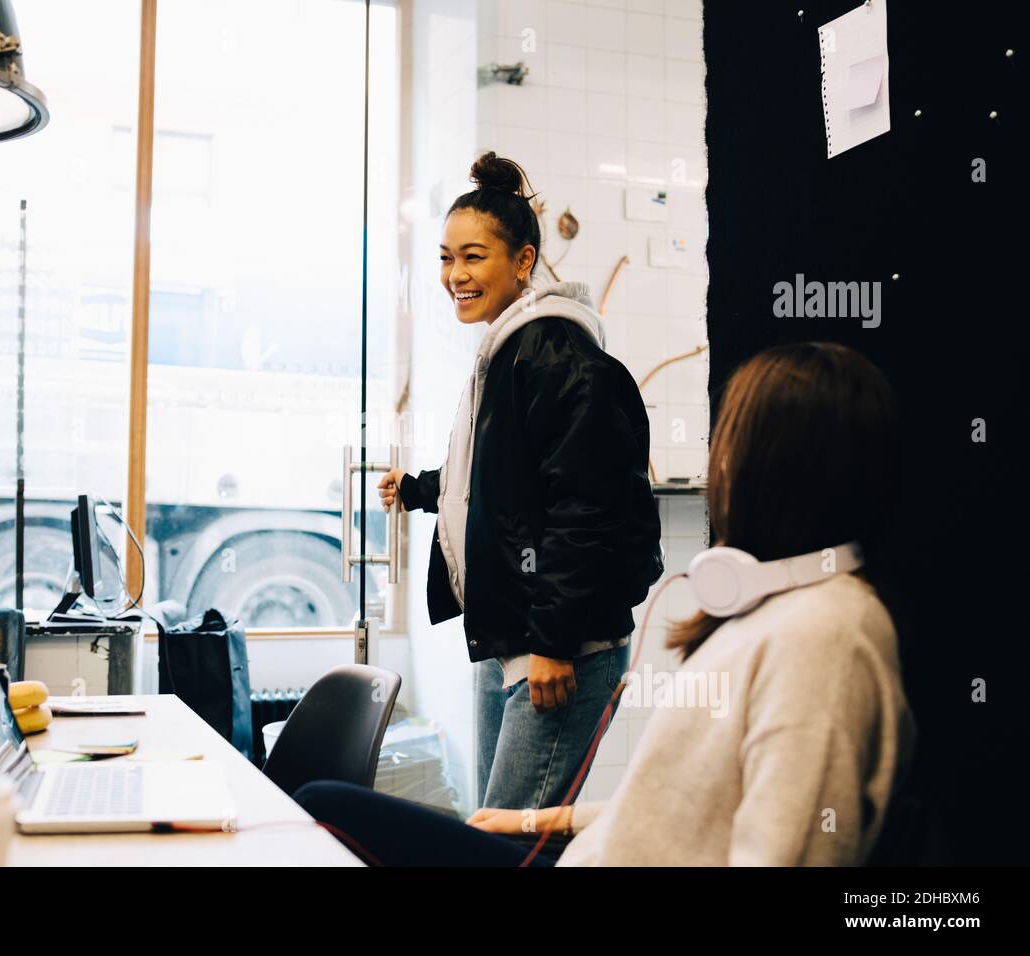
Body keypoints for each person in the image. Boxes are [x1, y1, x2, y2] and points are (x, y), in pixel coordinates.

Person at [306, 341, 914, 866]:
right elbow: (672, 802)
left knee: (323, 808)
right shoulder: (784, 608)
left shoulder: (826, 635)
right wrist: (544, 822)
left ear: (776, 468)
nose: (718, 462)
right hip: (584, 850)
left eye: (730, 442)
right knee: (328, 804)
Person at [376, 151, 663, 811]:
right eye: (446, 258)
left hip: (560, 649)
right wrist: (417, 490)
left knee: (511, 846)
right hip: (510, 636)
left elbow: (584, 511)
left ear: (525, 261)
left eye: (473, 257)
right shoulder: (506, 353)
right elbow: (491, 477)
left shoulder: (558, 357)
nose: (455, 275)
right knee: (497, 831)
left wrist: (556, 644)